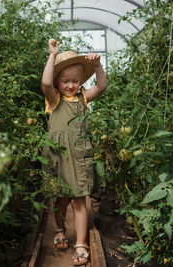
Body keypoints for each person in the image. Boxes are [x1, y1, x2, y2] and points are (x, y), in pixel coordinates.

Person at [41, 38, 107, 266]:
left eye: (75, 81)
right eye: (65, 81)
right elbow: (46, 83)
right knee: (60, 198)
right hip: (58, 155)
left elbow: (101, 86)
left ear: (80, 82)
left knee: (79, 199)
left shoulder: (82, 98)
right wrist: (52, 55)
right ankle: (59, 228)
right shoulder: (54, 99)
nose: (70, 85)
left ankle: (81, 243)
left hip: (78, 154)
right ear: (59, 81)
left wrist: (98, 66)